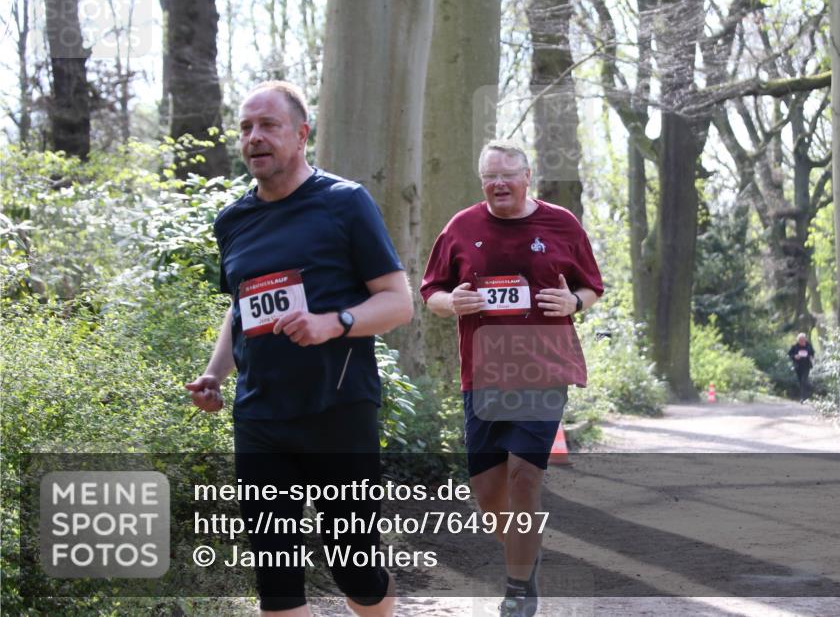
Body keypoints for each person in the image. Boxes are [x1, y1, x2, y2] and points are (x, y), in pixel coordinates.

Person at [186, 80, 412, 617]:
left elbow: (398, 302)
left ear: (302, 134)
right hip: (260, 414)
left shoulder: (344, 203)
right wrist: (215, 373)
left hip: (338, 408)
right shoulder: (233, 220)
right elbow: (239, 308)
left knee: (353, 564)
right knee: (275, 574)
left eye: (268, 126)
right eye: (245, 128)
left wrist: (334, 322)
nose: (254, 138)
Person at [420, 141, 603, 617]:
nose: (498, 184)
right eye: (489, 177)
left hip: (542, 371)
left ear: (528, 176)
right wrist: (452, 303)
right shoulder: (461, 228)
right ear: (482, 181)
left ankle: (519, 590)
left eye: (507, 175)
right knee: (488, 496)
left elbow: (591, 285)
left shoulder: (561, 223)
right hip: (482, 374)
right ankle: (526, 545)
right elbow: (431, 292)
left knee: (525, 478)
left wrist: (575, 303)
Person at [788, 332, 815, 403]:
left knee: (804, 380)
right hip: (798, 366)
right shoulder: (795, 346)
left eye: (803, 340)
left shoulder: (809, 346)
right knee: (801, 382)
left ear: (805, 339)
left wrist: (811, 356)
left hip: (806, 366)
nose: (802, 341)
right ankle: (804, 396)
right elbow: (790, 354)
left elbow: (812, 353)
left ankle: (803, 398)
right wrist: (795, 356)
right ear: (798, 340)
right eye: (800, 340)